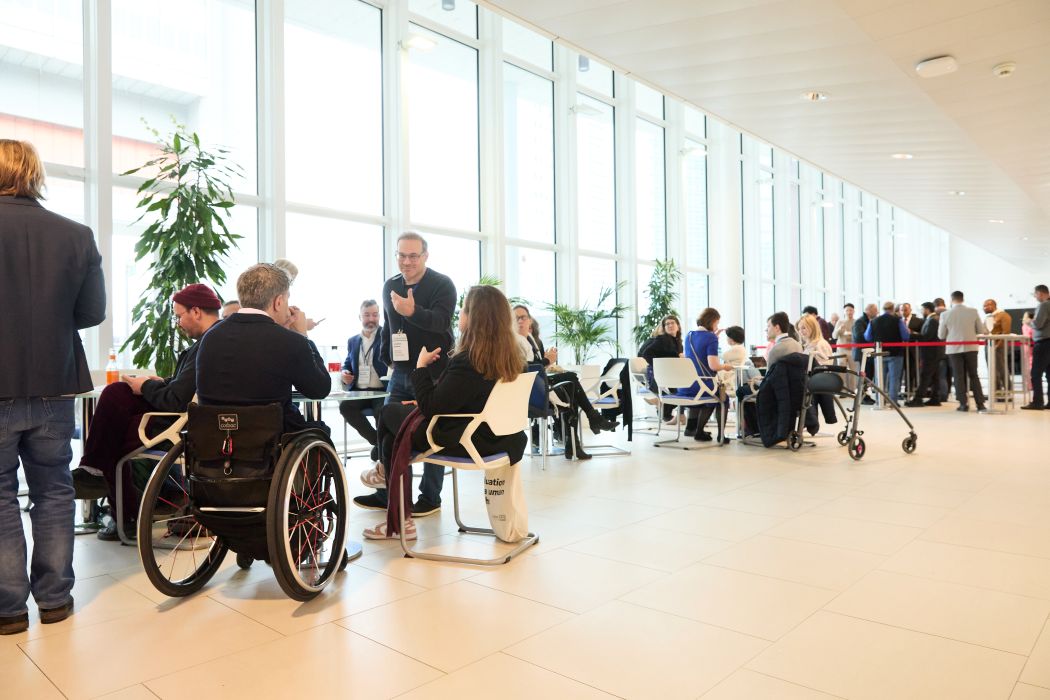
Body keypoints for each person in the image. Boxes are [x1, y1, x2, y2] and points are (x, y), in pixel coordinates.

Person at [0, 139, 105, 634]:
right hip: (55, 382)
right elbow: (92, 312)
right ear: (33, 173)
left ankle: (9, 608)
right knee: (55, 490)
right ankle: (56, 600)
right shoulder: (76, 235)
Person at [361, 286, 528, 540]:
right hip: (498, 438)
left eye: (464, 309)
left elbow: (432, 407)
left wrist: (420, 368)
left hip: (464, 439)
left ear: (475, 318)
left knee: (387, 413)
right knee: (391, 436)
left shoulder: (469, 360)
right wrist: (422, 402)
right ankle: (394, 501)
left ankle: (387, 479)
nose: (460, 314)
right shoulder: (513, 358)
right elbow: (464, 399)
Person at [74, 283, 222, 540]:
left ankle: (101, 482)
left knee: (113, 424)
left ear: (196, 311)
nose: (178, 323)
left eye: (179, 316)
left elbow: (175, 401)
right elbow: (185, 388)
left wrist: (146, 386)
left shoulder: (207, 345)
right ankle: (104, 486)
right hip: (182, 418)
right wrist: (161, 382)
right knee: (118, 395)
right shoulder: (212, 341)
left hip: (177, 424)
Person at [355, 232, 457, 517]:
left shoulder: (442, 284)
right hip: (400, 372)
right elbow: (389, 325)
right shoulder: (391, 285)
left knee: (432, 432)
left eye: (413, 256)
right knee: (387, 425)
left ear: (425, 256)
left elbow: (441, 322)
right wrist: (386, 355)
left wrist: (413, 311)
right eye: (402, 255)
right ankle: (389, 493)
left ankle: (430, 497)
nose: (407, 261)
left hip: (433, 372)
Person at [195, 263, 330, 432]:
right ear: (278, 302)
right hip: (272, 438)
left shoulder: (210, 336)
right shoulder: (290, 341)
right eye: (287, 299)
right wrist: (303, 336)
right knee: (321, 430)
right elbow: (319, 389)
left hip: (213, 438)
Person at [513, 304, 617, 458]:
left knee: (571, 388)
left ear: (530, 320)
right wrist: (547, 360)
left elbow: (535, 367)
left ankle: (574, 444)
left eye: (523, 317)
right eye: (516, 318)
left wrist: (546, 361)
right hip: (532, 394)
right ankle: (590, 422)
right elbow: (526, 369)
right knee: (571, 380)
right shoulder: (514, 342)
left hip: (538, 386)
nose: (520, 321)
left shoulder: (529, 339)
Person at [339, 300, 388, 468]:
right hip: (359, 392)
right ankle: (378, 443)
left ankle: (381, 448)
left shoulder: (387, 336)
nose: (371, 319)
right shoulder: (353, 341)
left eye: (375, 315)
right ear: (359, 317)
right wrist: (344, 372)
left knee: (382, 411)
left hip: (381, 391)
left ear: (379, 316)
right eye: (367, 315)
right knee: (345, 407)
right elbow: (347, 363)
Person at [678, 308, 732, 442]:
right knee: (722, 398)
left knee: (710, 396)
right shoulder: (711, 337)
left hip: (686, 385)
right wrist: (725, 366)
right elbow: (713, 366)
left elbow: (698, 354)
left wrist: (714, 337)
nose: (717, 326)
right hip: (702, 385)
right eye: (717, 323)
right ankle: (720, 435)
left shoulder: (689, 335)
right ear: (712, 321)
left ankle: (698, 431)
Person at [938, 290, 986, 412]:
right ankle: (980, 404)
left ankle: (963, 404)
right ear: (963, 299)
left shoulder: (945, 314)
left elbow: (941, 335)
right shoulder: (973, 311)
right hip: (971, 347)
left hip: (954, 349)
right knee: (974, 375)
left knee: (958, 376)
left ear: (951, 300)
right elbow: (980, 330)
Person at [638, 314, 684, 423]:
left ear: (678, 326)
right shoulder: (662, 339)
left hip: (671, 374)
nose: (670, 325)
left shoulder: (678, 342)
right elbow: (646, 353)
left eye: (672, 323)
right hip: (659, 375)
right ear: (664, 328)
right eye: (667, 324)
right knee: (682, 390)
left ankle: (664, 407)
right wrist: (660, 367)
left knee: (682, 390)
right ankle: (676, 413)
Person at [865, 301, 910, 405]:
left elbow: (867, 336)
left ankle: (879, 401)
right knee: (894, 379)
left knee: (879, 379)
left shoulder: (874, 321)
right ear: (893, 309)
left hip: (879, 353)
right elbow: (906, 336)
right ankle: (893, 402)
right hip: (895, 353)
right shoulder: (898, 320)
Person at [907, 302, 944, 407]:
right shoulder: (931, 319)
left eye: (922, 309)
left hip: (931, 353)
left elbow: (927, 337)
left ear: (927, 309)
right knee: (935, 376)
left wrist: (911, 335)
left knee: (925, 375)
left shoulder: (932, 321)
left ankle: (918, 399)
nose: (921, 311)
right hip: (934, 352)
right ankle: (935, 398)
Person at [1022, 284, 1050, 410]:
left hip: (1043, 343)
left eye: (1035, 294)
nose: (1035, 296)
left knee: (1036, 373)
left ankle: (1037, 402)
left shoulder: (1043, 305)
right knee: (1049, 375)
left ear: (1040, 293)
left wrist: (1028, 322)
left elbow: (1038, 324)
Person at [982, 299, 1012, 396]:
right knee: (992, 370)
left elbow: (1006, 332)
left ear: (992, 305)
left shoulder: (1003, 315)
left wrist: (998, 345)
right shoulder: (988, 317)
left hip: (998, 347)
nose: (984, 308)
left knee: (1001, 369)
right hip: (988, 346)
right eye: (984, 306)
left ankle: (1008, 391)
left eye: (986, 306)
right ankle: (996, 392)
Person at [834, 303, 857, 388]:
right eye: (847, 310)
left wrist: (852, 334)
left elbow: (859, 336)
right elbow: (834, 336)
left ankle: (852, 390)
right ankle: (842, 389)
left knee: (853, 371)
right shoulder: (840, 322)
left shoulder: (856, 322)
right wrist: (839, 329)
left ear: (854, 311)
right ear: (844, 311)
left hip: (852, 349)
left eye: (851, 310)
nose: (849, 312)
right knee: (841, 370)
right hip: (841, 349)